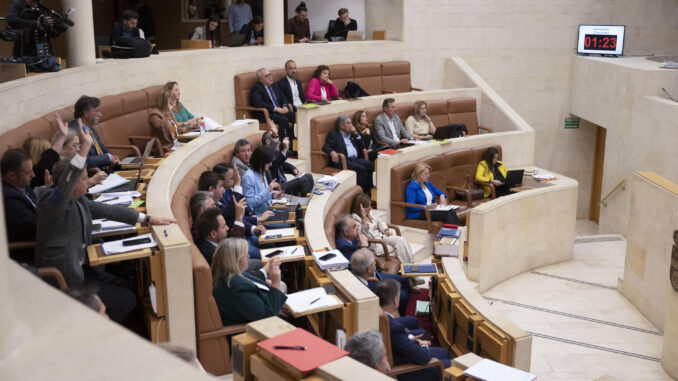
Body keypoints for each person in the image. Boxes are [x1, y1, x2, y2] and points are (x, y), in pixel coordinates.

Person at [34, 122, 174, 322]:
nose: (88, 182)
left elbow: (105, 209)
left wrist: (147, 218)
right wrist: (84, 148)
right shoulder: (53, 204)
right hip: (67, 279)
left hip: (85, 268)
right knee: (127, 300)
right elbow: (67, 182)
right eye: (84, 179)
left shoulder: (79, 199)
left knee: (127, 285)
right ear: (71, 184)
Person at [374, 279, 451, 381]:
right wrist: (424, 344)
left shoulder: (377, 315)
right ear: (395, 300)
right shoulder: (393, 328)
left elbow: (396, 341)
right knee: (451, 363)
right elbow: (423, 358)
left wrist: (409, 338)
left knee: (442, 350)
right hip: (404, 369)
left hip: (398, 353)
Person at [211, 238, 286, 326]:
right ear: (236, 259)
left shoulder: (233, 273)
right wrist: (275, 282)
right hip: (255, 331)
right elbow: (266, 317)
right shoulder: (234, 286)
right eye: (245, 254)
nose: (248, 256)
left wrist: (276, 304)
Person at [351, 193, 416, 265]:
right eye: (368, 206)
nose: (371, 208)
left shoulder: (369, 213)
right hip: (376, 244)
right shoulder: (355, 219)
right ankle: (410, 269)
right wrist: (363, 219)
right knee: (402, 250)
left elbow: (380, 221)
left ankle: (410, 269)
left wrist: (386, 230)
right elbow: (363, 235)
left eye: (370, 205)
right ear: (361, 207)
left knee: (402, 240)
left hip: (383, 237)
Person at [322, 114, 374, 193]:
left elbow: (363, 146)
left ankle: (369, 190)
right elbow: (325, 147)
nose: (351, 125)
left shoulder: (352, 134)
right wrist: (332, 152)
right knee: (361, 169)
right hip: (343, 160)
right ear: (342, 126)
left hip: (355, 159)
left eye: (351, 123)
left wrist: (356, 134)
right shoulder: (334, 134)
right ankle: (360, 193)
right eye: (349, 123)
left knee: (372, 165)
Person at [351, 248, 409, 316]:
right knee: (404, 295)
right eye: (373, 262)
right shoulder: (366, 292)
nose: (376, 262)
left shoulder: (357, 273)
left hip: (373, 277)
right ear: (369, 269)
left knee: (402, 279)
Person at [68, 96, 120, 170]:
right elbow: (83, 160)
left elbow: (101, 146)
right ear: (86, 113)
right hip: (91, 175)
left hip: (104, 170)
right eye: (97, 111)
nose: (100, 115)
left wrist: (111, 157)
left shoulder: (90, 127)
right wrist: (107, 158)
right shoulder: (73, 132)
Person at [2, 148, 37, 243]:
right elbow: (36, 227)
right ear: (12, 176)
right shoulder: (8, 199)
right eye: (28, 172)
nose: (33, 175)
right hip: (26, 250)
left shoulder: (23, 186)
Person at [262, 131, 314, 196]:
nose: (279, 142)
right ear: (268, 141)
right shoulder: (264, 155)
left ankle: (305, 196)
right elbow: (274, 164)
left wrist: (293, 170)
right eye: (275, 139)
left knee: (309, 176)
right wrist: (285, 149)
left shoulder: (275, 153)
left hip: (284, 184)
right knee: (303, 181)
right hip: (276, 187)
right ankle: (303, 200)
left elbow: (283, 164)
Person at [250, 68, 294, 140]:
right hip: (267, 114)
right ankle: (283, 145)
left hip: (279, 111)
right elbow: (258, 103)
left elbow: (283, 97)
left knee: (294, 115)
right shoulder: (256, 88)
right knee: (283, 119)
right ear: (261, 79)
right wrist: (275, 109)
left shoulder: (274, 85)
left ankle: (294, 142)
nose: (270, 77)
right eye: (267, 76)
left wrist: (285, 106)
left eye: (270, 74)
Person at [242, 146, 283, 216]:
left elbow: (262, 195)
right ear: (261, 162)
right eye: (268, 162)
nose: (271, 164)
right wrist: (268, 190)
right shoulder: (248, 177)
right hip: (260, 216)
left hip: (270, 210)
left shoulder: (262, 172)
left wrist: (273, 196)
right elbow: (250, 203)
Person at [149, 88, 191, 153]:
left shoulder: (170, 113)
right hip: (168, 147)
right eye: (171, 101)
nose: (173, 103)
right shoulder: (154, 115)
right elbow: (161, 127)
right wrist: (168, 112)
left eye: (173, 100)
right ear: (164, 101)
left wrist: (192, 126)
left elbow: (179, 130)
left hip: (178, 143)